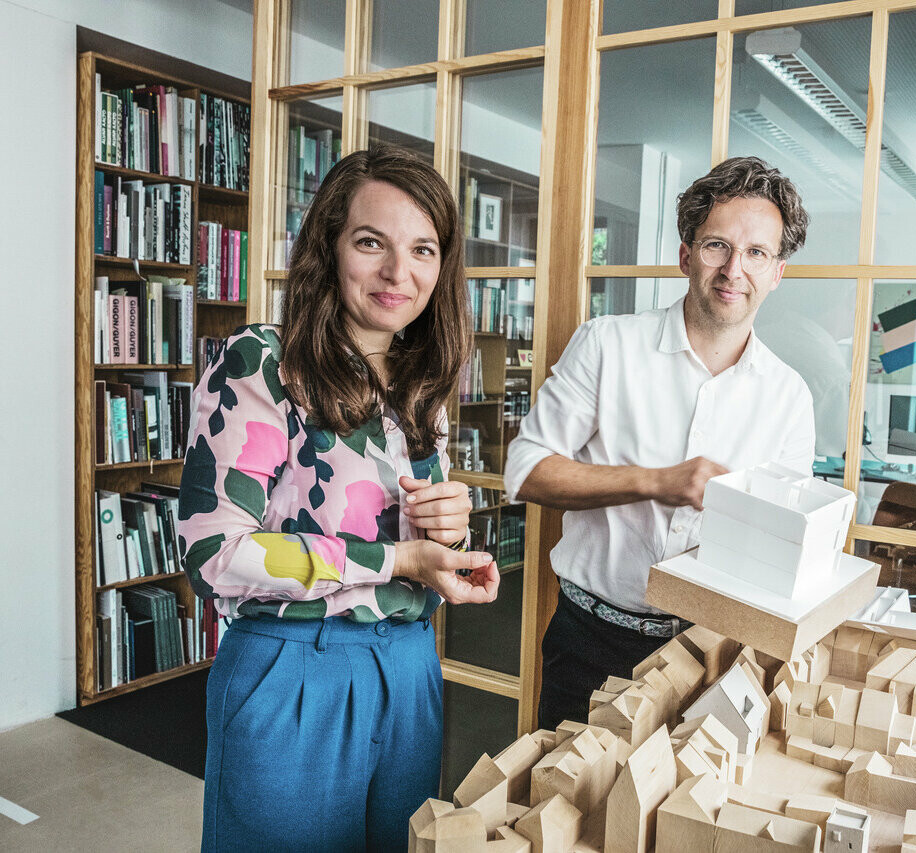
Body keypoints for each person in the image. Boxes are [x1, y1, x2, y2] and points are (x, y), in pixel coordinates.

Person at [179, 143, 500, 852]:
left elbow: (418, 554)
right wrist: (394, 559)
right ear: (328, 247)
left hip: (410, 667)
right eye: (370, 243)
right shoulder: (262, 359)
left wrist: (449, 546)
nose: (399, 272)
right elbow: (213, 551)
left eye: (423, 249)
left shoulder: (421, 379)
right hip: (296, 668)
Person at [503, 156, 815, 730]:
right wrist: (656, 481)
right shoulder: (606, 345)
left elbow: (780, 547)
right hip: (588, 642)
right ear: (685, 255)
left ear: (777, 272)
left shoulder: (790, 398)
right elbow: (524, 472)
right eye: (717, 245)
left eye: (756, 253)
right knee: (554, 810)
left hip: (714, 656)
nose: (733, 270)